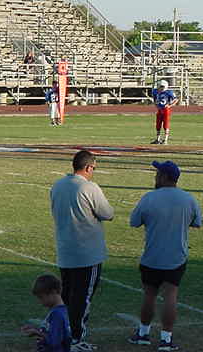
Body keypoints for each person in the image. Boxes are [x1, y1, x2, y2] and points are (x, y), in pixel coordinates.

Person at [128, 160, 203, 352]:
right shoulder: (188, 198)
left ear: (164, 177)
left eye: (157, 174)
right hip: (176, 257)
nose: (155, 177)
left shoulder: (149, 198)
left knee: (149, 295)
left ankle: (143, 333)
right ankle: (166, 339)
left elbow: (134, 222)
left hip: (152, 256)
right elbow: (197, 222)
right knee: (170, 296)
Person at [50, 150, 114, 351]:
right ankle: (76, 339)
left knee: (67, 296)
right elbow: (107, 213)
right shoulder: (89, 187)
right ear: (88, 167)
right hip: (87, 253)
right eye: (93, 168)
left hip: (65, 249)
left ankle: (63, 334)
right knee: (82, 299)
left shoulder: (58, 185)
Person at [21, 274, 72, 352]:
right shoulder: (61, 311)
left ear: (53, 292)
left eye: (41, 297)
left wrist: (37, 333)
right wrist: (35, 330)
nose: (40, 301)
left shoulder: (57, 314)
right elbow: (52, 332)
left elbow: (54, 342)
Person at [151, 80, 178, 145]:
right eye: (160, 86)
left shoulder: (169, 92)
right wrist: (156, 105)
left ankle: (165, 139)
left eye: (162, 87)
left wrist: (170, 105)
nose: (160, 88)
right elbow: (155, 99)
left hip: (166, 110)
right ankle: (158, 139)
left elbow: (176, 99)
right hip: (159, 109)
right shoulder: (155, 91)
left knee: (165, 124)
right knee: (158, 124)